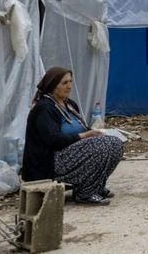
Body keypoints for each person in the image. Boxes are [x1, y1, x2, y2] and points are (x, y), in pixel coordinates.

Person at [22, 67, 123, 205]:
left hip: (69, 153)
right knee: (102, 145)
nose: (69, 86)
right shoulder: (45, 108)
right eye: (64, 83)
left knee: (115, 144)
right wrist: (84, 136)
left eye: (70, 82)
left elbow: (82, 128)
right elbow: (53, 140)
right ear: (52, 85)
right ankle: (85, 193)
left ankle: (95, 186)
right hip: (50, 162)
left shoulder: (69, 104)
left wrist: (93, 133)